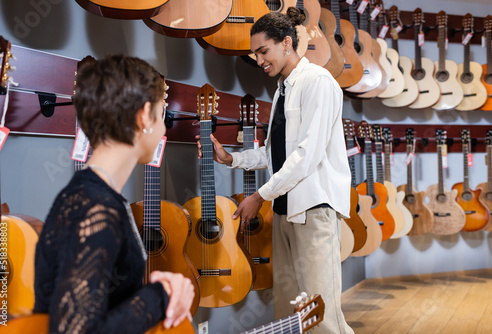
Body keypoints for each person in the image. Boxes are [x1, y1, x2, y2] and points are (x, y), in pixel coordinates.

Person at [199, 8, 354, 334]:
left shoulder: (319, 83)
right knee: (289, 309)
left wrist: (258, 196)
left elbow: (307, 156)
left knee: (320, 312)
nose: (258, 60)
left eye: (263, 51)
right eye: (255, 53)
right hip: (284, 210)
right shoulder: (284, 88)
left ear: (286, 43)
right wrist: (232, 159)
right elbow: (275, 153)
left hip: (315, 210)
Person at [34, 55, 195, 333]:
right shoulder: (95, 205)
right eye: (162, 114)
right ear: (145, 115)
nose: (164, 127)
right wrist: (162, 293)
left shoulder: (98, 197)